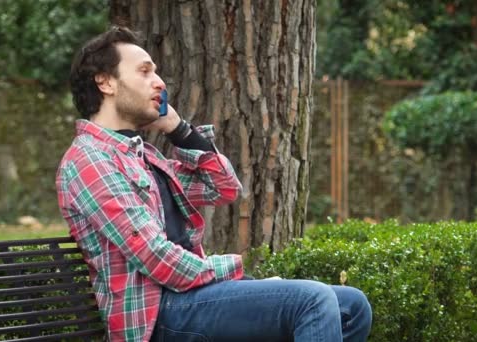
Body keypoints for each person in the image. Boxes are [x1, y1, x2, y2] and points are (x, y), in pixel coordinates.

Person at [57, 26, 372, 342]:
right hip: (157, 316)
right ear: (105, 82)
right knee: (312, 301)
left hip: (191, 297)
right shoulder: (91, 161)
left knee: (352, 305)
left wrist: (178, 129)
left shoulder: (143, 156)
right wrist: (229, 269)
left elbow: (223, 187)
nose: (160, 82)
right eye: (144, 71)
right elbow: (155, 256)